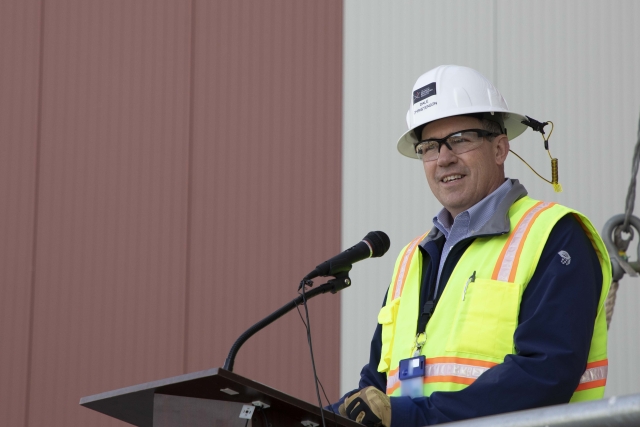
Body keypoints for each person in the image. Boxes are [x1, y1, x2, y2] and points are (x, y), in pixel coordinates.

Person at [331, 65, 611, 426]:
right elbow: (377, 386)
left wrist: (409, 417)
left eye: (460, 139)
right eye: (429, 147)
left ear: (499, 148)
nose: (443, 158)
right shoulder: (410, 260)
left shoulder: (554, 235)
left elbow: (544, 374)